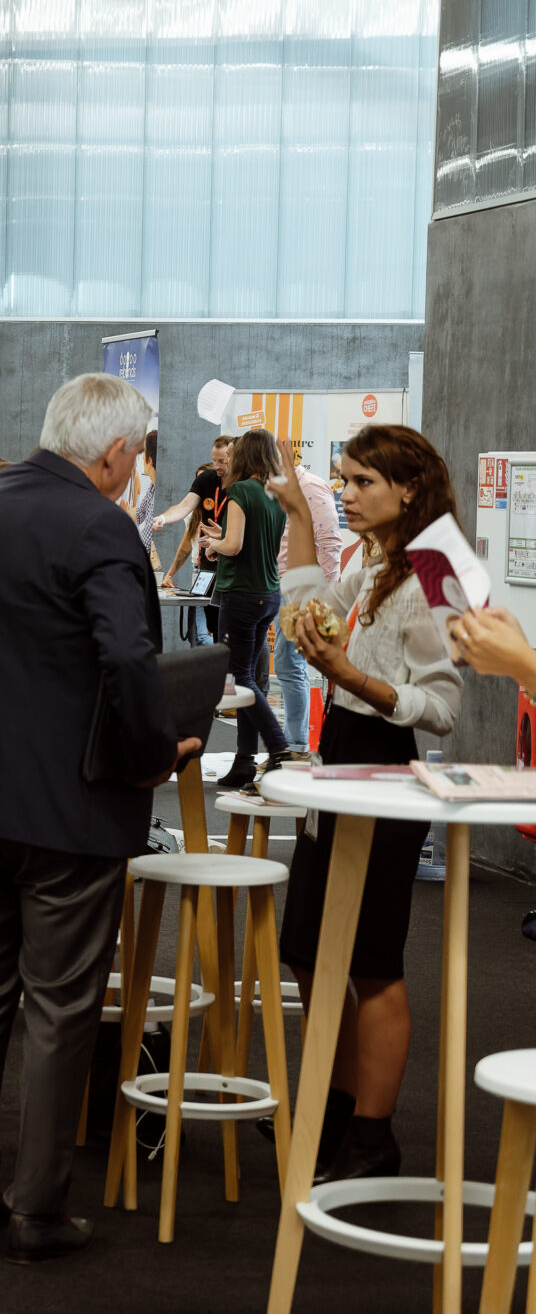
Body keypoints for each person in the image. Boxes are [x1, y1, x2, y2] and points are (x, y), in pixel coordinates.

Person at [0, 373, 201, 1263]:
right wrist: (155, 754)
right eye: (138, 453)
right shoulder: (102, 524)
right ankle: (37, 1208)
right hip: (67, 804)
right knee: (58, 1005)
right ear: (116, 451)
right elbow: (127, 658)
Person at [268, 423, 462, 1183]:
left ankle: (373, 1135)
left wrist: (352, 678)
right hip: (340, 760)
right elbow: (312, 610)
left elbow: (442, 708)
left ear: (409, 489)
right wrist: (296, 515)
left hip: (386, 770)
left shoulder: (436, 567)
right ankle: (335, 1107)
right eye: (342, 480)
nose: (345, 494)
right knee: (310, 950)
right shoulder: (368, 556)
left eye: (361, 482)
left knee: (374, 961)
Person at [203, 428, 291, 789]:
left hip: (240, 595)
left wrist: (214, 545)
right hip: (268, 594)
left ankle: (279, 748)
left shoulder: (240, 491)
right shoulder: (275, 494)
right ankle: (244, 760)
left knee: (240, 679)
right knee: (249, 679)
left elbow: (235, 545)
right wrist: (221, 539)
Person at [270, 447, 343, 763]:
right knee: (286, 662)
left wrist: (320, 598)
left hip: (300, 590)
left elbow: (330, 543)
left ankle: (296, 745)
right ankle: (293, 745)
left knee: (291, 662)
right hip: (281, 585)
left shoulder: (310, 486)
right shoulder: (280, 490)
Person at [157, 434, 235, 643]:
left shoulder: (243, 486)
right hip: (207, 569)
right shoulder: (207, 480)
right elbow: (184, 507)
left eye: (222, 461)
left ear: (233, 457)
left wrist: (223, 538)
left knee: (233, 633)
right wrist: (163, 518)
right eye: (214, 460)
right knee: (212, 630)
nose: (217, 466)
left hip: (233, 570)